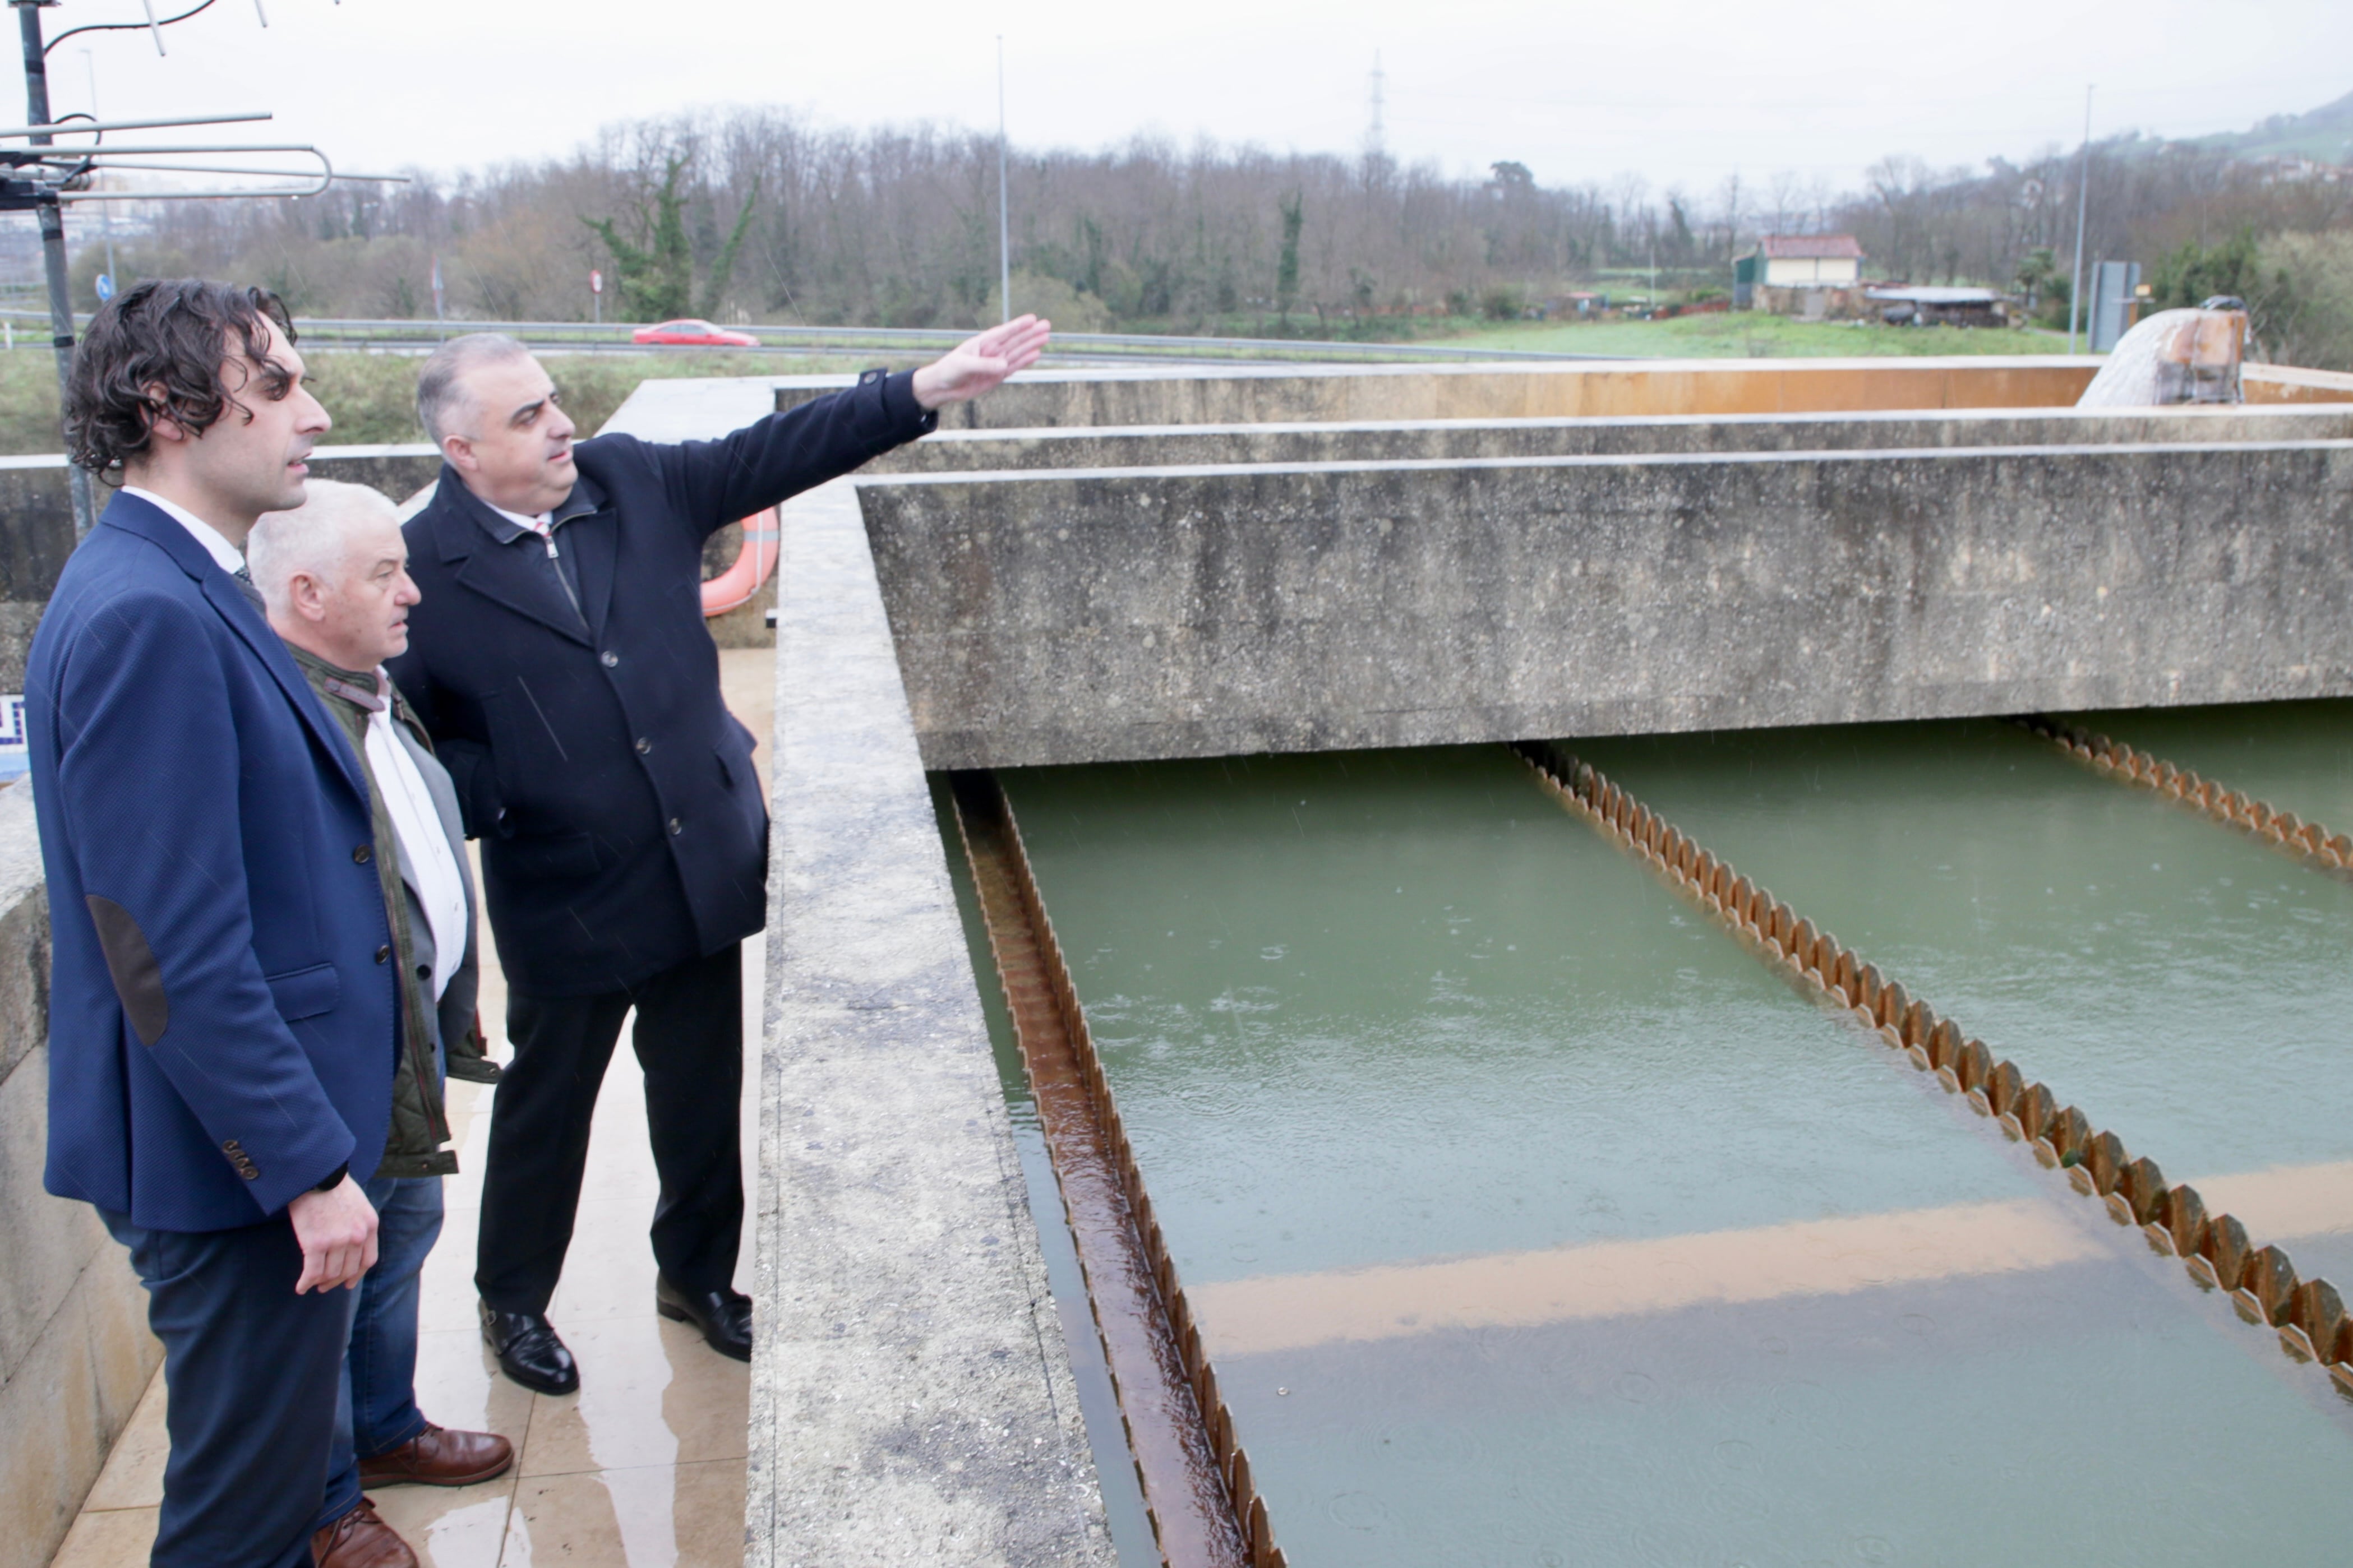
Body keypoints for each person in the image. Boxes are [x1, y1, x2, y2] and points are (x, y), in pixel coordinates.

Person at [388, 316, 1050, 1392]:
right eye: (528, 416)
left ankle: (695, 1276)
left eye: (554, 401)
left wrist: (925, 385)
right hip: (564, 895)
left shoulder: (630, 479)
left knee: (699, 1093)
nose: (562, 426)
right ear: (461, 452)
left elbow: (780, 452)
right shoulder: (422, 568)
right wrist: (514, 789)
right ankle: (512, 1297)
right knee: (549, 1105)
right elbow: (408, 757)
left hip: (695, 864)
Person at [27, 280, 405, 1567]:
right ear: (168, 406)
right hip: (232, 1174)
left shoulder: (171, 579)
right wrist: (303, 1168)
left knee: (268, 1490)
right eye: (282, 383)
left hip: (239, 1158)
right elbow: (167, 942)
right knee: (241, 1523)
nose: (316, 410)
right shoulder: (143, 609)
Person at [248, 479, 516, 1523]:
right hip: (334, 1072)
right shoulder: (278, 719)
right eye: (385, 573)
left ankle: (385, 1425)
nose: (413, 592)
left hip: (407, 1049)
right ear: (308, 593)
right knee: (327, 1286)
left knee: (402, 1236)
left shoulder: (369, 684)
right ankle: (324, 1504)